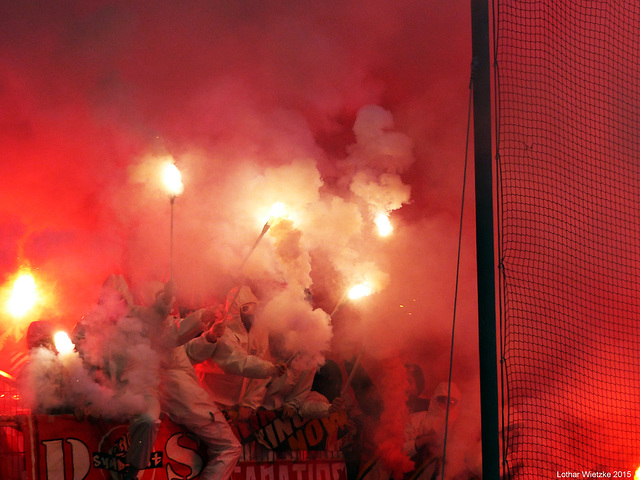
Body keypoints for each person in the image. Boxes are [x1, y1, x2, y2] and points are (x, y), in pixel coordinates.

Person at [157, 302, 243, 480]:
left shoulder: (158, 328)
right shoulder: (157, 328)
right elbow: (177, 335)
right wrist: (204, 315)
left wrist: (210, 337)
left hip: (180, 394)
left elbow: (187, 353)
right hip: (183, 395)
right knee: (229, 447)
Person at [187, 285, 285, 421]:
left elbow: (259, 378)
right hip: (207, 399)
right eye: (245, 308)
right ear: (234, 310)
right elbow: (236, 362)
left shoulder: (260, 332)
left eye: (253, 307)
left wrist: (249, 403)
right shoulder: (222, 331)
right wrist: (269, 368)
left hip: (235, 407)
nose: (251, 313)